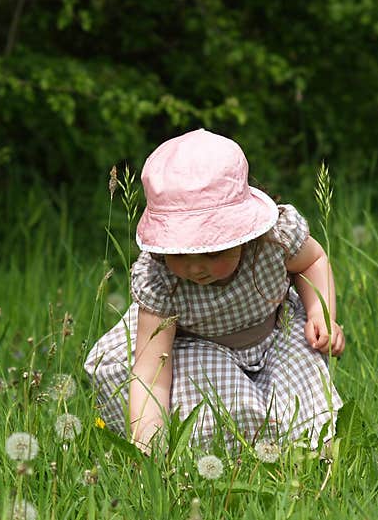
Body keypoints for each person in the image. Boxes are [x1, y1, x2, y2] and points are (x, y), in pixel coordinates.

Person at [84, 129, 344, 456]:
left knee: (309, 405)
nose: (196, 268)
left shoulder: (274, 240)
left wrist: (322, 313)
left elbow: (313, 261)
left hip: (276, 334)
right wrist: (145, 447)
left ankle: (304, 455)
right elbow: (152, 373)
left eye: (212, 252)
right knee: (216, 411)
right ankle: (236, 454)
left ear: (243, 236)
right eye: (180, 255)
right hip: (198, 346)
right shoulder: (160, 277)